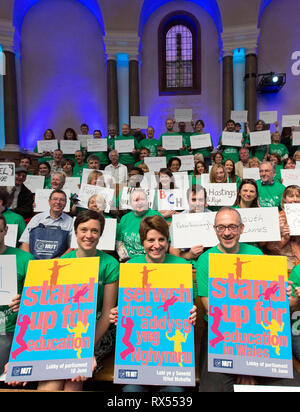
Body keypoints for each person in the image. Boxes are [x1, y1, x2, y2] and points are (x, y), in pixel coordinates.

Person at [195, 207, 300, 392]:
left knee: (292, 385)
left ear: (242, 228)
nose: (227, 233)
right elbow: (215, 313)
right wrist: (242, 362)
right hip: (219, 336)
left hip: (259, 334)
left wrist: (289, 297)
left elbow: (267, 306)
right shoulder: (205, 260)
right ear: (215, 229)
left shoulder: (256, 254)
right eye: (221, 227)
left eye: (232, 227)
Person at [110, 214, 197, 392]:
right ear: (142, 242)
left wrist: (192, 311)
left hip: (171, 355)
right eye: (150, 240)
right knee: (131, 391)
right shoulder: (131, 267)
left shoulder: (181, 266)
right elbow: (126, 308)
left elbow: (188, 305)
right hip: (138, 354)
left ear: (168, 240)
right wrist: (118, 314)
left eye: (161, 239)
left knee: (174, 392)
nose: (156, 245)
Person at [38, 210, 119, 391]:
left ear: (100, 234)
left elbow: (107, 313)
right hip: (65, 333)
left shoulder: (110, 264)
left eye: (94, 231)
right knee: (53, 379)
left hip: (98, 332)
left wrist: (84, 348)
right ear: (75, 232)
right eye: (84, 230)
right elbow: (53, 307)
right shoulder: (62, 262)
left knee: (73, 377)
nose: (88, 235)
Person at [0, 214, 34, 376]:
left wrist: (25, 301)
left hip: (10, 328)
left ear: (6, 231)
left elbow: (38, 300)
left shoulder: (25, 259)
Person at [19, 189, 73, 258]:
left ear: (65, 203)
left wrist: (59, 260)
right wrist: (30, 260)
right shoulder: (37, 218)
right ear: (49, 202)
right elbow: (25, 242)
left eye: (62, 200)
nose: (58, 202)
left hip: (58, 263)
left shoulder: (71, 221)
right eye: (55, 199)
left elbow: (72, 247)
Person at [116, 188, 163, 260]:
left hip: (151, 260)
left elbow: (163, 243)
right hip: (129, 261)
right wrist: (126, 259)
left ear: (147, 201)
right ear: (131, 203)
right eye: (136, 200)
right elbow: (119, 242)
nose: (139, 202)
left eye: (142, 199)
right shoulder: (125, 218)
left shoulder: (156, 216)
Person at [169, 184, 210, 264]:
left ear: (205, 201)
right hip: (186, 262)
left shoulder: (214, 218)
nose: (197, 203)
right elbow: (173, 252)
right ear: (188, 201)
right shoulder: (178, 221)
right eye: (194, 200)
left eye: (201, 200)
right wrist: (189, 255)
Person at [263, 185, 300, 271]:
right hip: (286, 260)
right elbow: (269, 248)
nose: (294, 199)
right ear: (285, 199)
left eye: (298, 196)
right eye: (291, 196)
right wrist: (284, 238)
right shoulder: (276, 218)